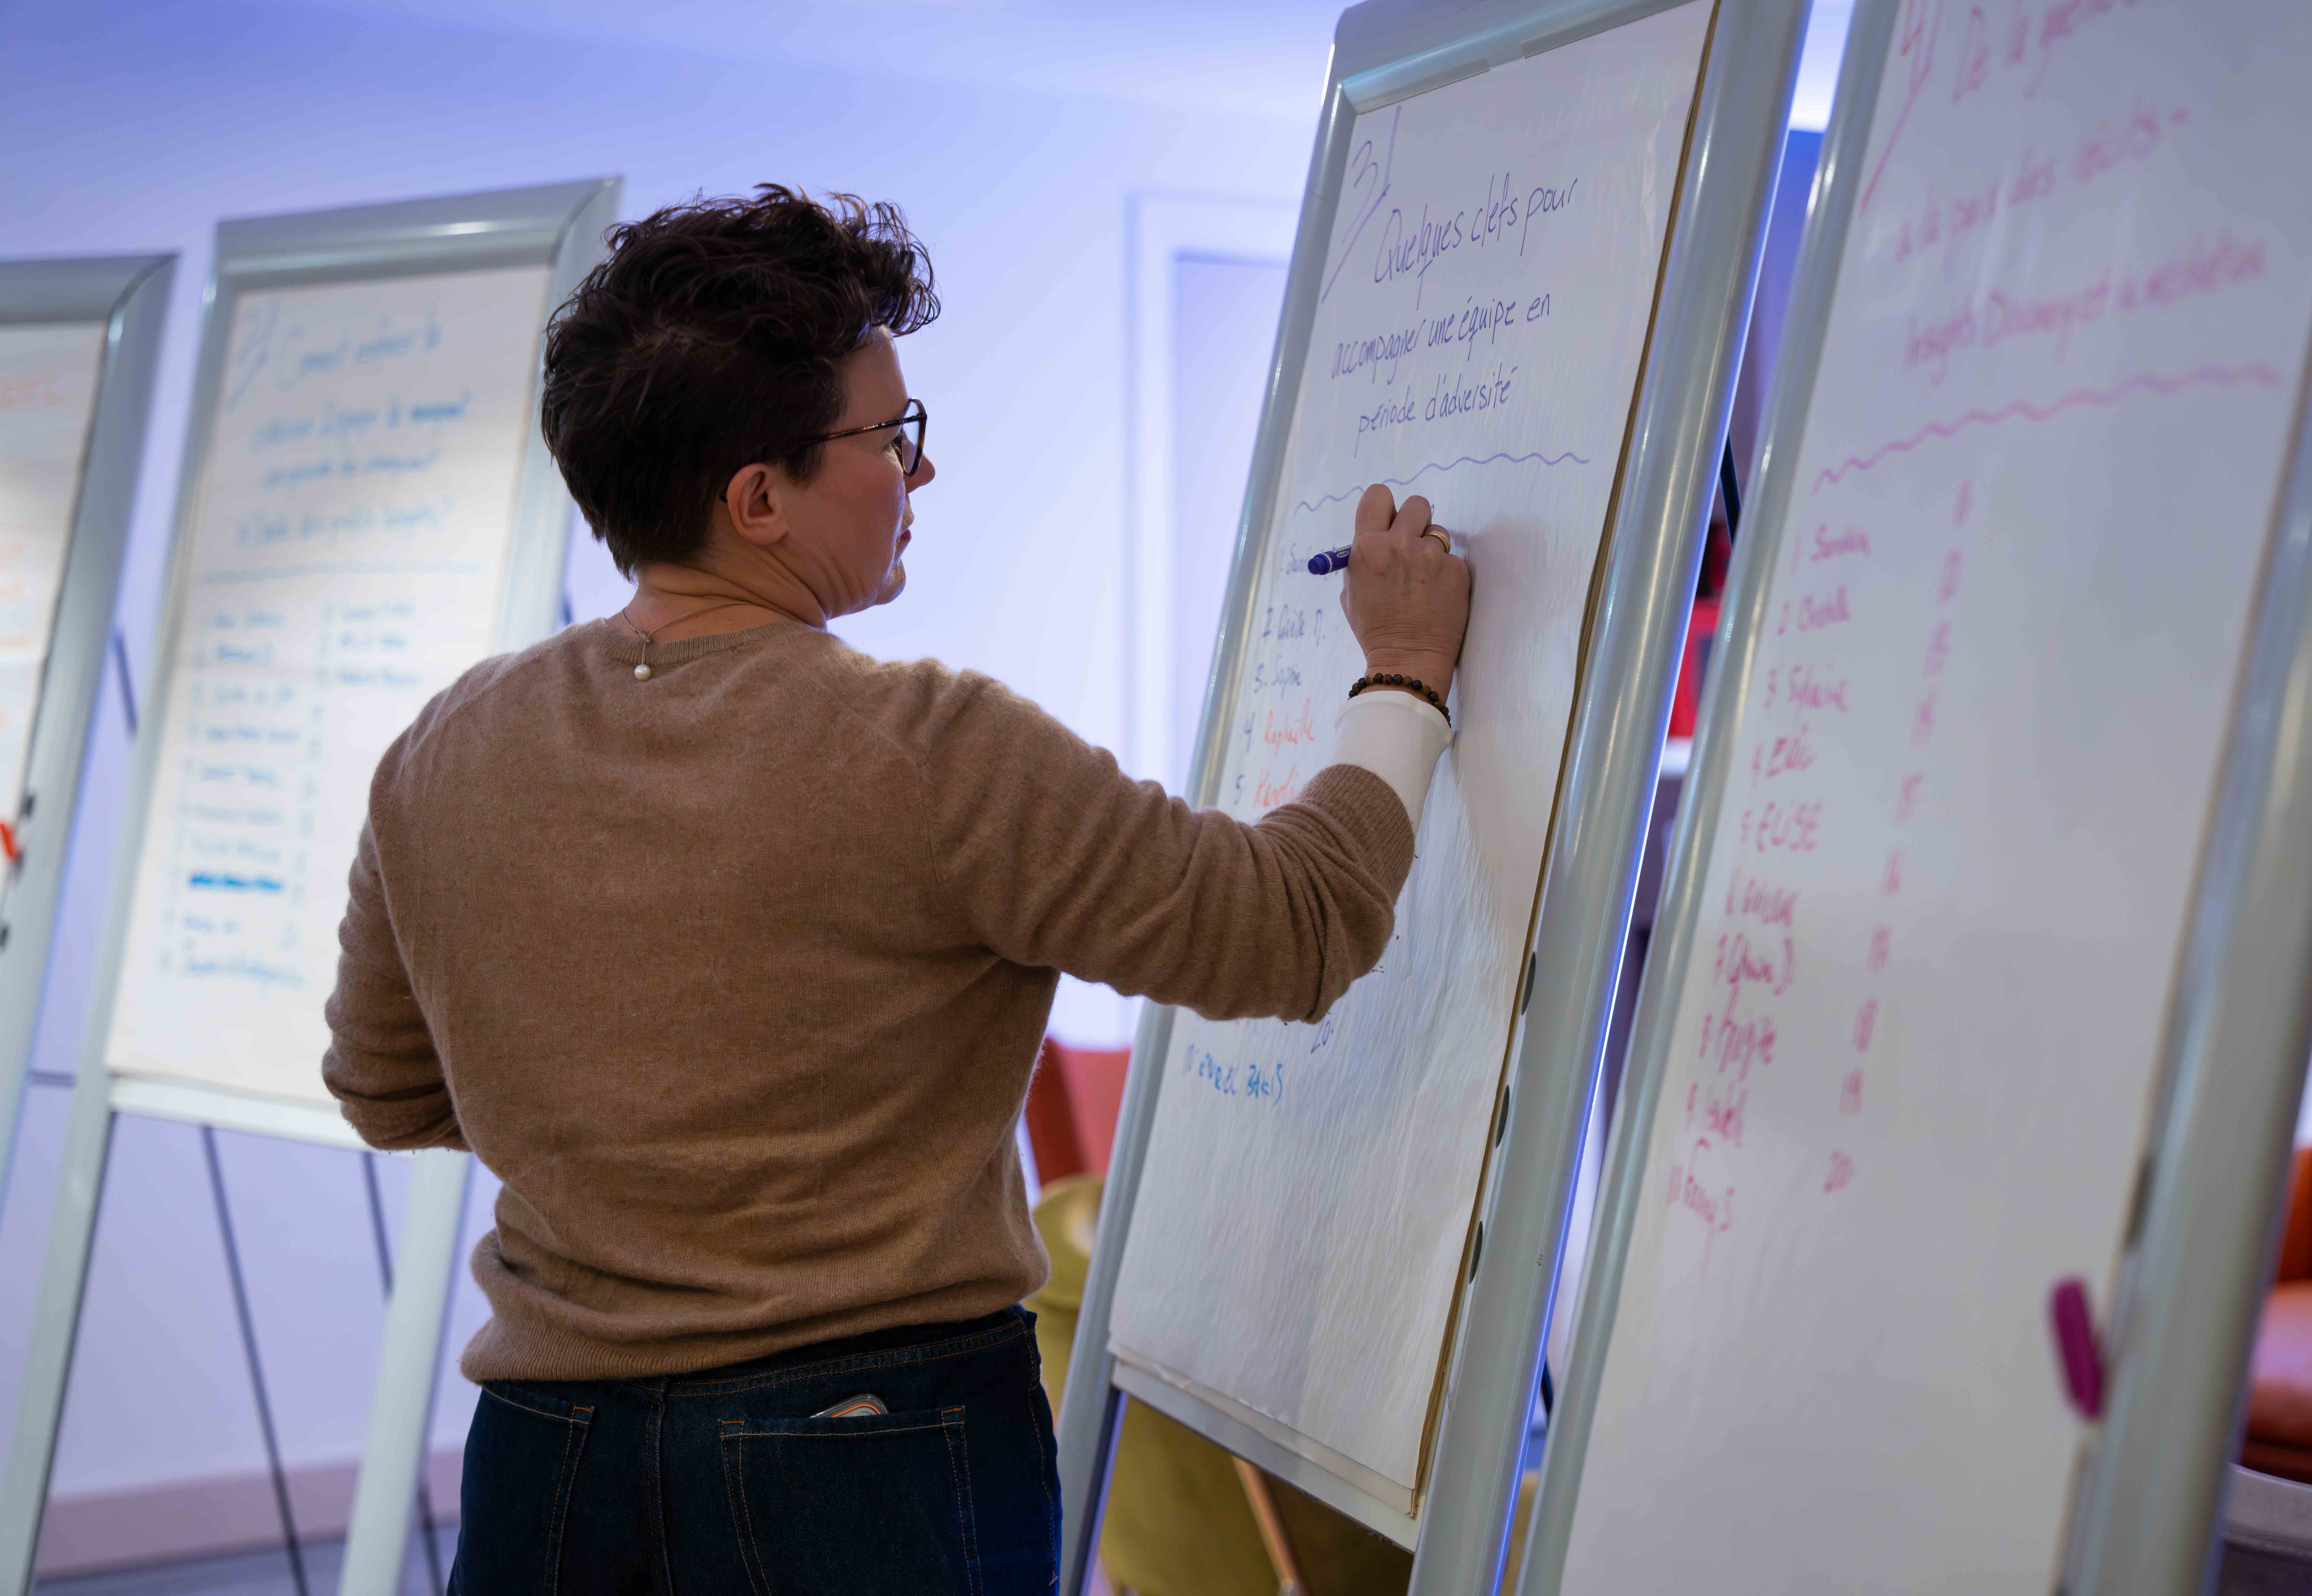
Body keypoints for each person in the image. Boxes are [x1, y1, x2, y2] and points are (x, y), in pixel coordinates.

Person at [321, 185, 1471, 1595]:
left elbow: (387, 1093)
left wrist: (619, 1137)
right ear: (758, 500)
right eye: (890, 439)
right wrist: (1406, 676)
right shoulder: (927, 751)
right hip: (862, 1457)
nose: (917, 476)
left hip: (547, 1461)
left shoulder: (443, 748)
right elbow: (1292, 929)